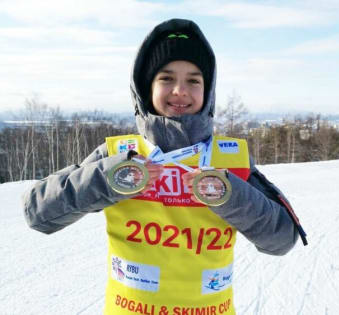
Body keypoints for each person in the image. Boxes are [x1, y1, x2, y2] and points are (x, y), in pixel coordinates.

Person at [23, 18, 307, 315]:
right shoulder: (121, 152)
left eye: (194, 80)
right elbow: (39, 213)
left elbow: (282, 239)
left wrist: (230, 195)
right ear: (146, 87)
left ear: (208, 91)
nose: (180, 90)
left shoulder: (230, 159)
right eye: (166, 78)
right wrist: (109, 179)